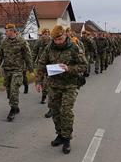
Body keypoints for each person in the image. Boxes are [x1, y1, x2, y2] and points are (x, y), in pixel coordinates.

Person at [35, 25, 87, 154]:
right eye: (55, 40)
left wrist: (69, 68)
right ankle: (59, 134)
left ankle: (67, 138)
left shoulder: (74, 47)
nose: (57, 42)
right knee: (55, 110)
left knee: (66, 111)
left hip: (70, 85)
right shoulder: (50, 47)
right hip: (54, 84)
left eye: (59, 39)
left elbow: (83, 65)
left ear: (65, 35)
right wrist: (38, 81)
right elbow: (41, 63)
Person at [0, 24, 34, 122]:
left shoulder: (22, 42)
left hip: (18, 70)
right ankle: (16, 106)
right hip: (7, 70)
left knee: (14, 89)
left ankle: (12, 110)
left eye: (8, 30)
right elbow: (0, 56)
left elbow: (28, 56)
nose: (6, 32)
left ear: (13, 31)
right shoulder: (4, 42)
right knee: (9, 91)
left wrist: (31, 70)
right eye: (5, 30)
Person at [32, 28, 51, 104]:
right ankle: (44, 92)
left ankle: (44, 95)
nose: (44, 36)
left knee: (47, 81)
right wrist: (31, 63)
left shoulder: (52, 42)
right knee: (41, 80)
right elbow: (34, 52)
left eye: (46, 34)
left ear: (49, 35)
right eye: (43, 34)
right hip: (40, 64)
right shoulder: (39, 42)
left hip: (49, 65)